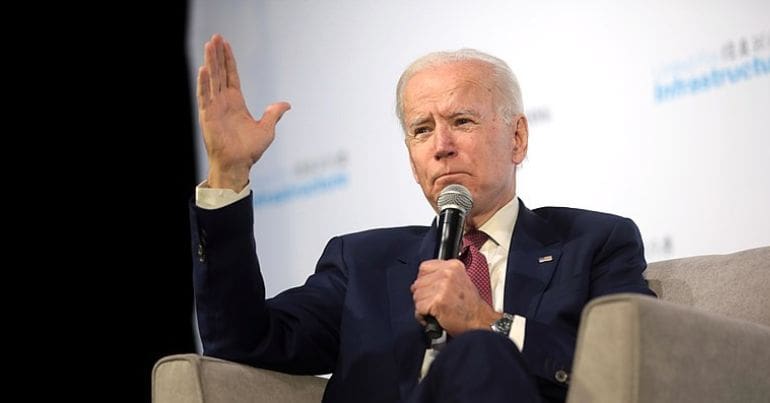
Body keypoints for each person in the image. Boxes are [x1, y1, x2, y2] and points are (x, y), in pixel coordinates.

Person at [192, 33, 655, 403]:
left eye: (463, 121)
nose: (441, 145)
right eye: (422, 129)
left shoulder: (595, 242)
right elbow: (243, 343)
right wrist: (228, 175)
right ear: (411, 156)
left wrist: (485, 322)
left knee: (479, 352)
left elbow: (628, 371)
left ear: (517, 138)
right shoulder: (362, 261)